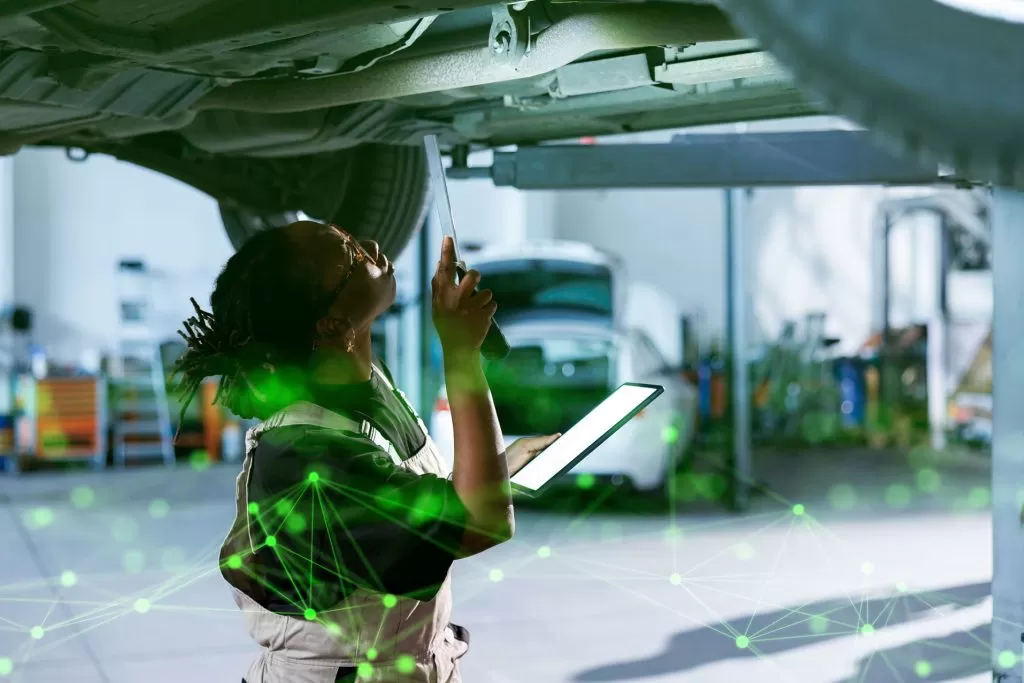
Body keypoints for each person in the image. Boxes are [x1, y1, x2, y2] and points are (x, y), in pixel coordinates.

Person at [173, 221, 559, 683]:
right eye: (354, 254)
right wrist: (460, 352)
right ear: (335, 325)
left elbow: (425, 503)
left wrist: (499, 467)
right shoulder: (304, 456)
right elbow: (482, 523)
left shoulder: (366, 386)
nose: (374, 247)